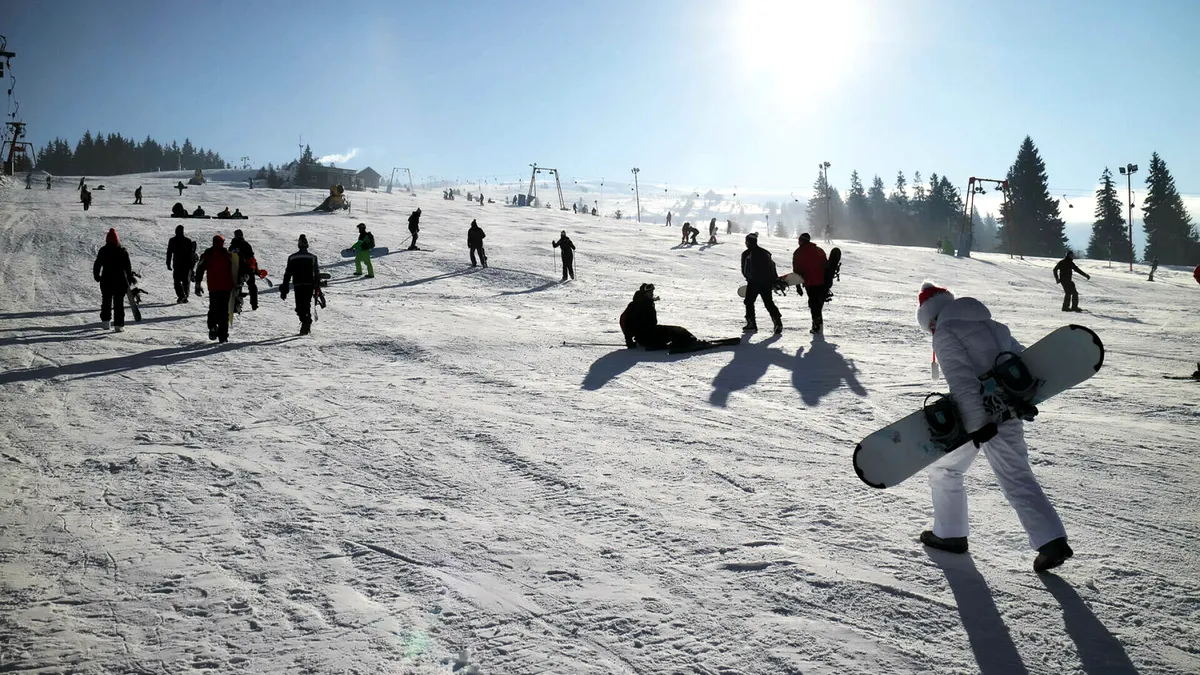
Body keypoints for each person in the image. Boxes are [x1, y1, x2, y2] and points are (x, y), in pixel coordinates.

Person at [915, 282, 1073, 572]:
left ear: (932, 319)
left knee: (957, 470)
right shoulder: (993, 325)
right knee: (1000, 473)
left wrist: (978, 424)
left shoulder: (946, 334)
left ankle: (954, 535)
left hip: (978, 418)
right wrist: (1025, 399)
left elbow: (962, 381)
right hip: (1006, 411)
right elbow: (1022, 362)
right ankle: (1048, 540)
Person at [620, 283, 697, 351]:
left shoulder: (647, 303)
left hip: (649, 334)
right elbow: (627, 322)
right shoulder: (636, 305)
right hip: (647, 337)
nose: (652, 294)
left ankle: (687, 340)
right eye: (649, 292)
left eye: (652, 292)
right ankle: (689, 341)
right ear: (644, 293)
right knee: (676, 331)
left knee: (675, 331)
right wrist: (629, 342)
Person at [194, 234, 235, 342]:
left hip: (213, 287)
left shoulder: (208, 254)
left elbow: (200, 269)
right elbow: (235, 270)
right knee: (224, 311)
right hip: (226, 287)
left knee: (213, 308)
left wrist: (198, 283)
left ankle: (212, 326)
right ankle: (223, 336)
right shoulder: (227, 255)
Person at [93, 228, 135, 332]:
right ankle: (118, 325)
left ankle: (106, 322)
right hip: (119, 281)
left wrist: (97, 275)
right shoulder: (122, 251)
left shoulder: (103, 250)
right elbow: (128, 268)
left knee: (106, 301)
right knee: (118, 303)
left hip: (106, 280)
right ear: (117, 240)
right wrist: (129, 280)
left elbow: (97, 264)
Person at [741, 233, 783, 334]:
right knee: (768, 302)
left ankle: (751, 324)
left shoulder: (746, 254)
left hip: (753, 283)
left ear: (747, 242)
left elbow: (744, 270)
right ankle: (777, 321)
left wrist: (749, 278)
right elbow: (772, 267)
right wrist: (774, 280)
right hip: (766, 282)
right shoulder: (765, 253)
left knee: (749, 302)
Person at [280, 234, 320, 335]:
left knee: (299, 306)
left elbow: (287, 274)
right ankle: (306, 323)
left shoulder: (292, 258)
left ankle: (306, 321)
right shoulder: (313, 257)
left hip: (298, 284)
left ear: (299, 245)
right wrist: (317, 285)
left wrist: (284, 289)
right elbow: (317, 273)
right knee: (306, 304)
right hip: (309, 284)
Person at [793, 233, 829, 333]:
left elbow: (797, 271)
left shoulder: (798, 252)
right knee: (817, 302)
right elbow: (825, 265)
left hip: (810, 281)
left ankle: (816, 325)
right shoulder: (819, 250)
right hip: (822, 281)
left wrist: (798, 286)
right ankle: (819, 323)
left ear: (801, 241)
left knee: (813, 303)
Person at [166, 224, 197, 303]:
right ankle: (185, 296)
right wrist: (192, 265)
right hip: (187, 264)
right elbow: (192, 253)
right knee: (185, 281)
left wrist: (168, 263)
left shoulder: (173, 240)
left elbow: (169, 252)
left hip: (178, 263)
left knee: (177, 281)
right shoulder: (188, 240)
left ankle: (182, 295)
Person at [229, 229, 258, 310]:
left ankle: (236, 303)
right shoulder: (246, 245)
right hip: (247, 269)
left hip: (236, 269)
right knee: (252, 286)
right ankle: (254, 304)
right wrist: (255, 268)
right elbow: (252, 258)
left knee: (237, 287)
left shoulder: (232, 246)